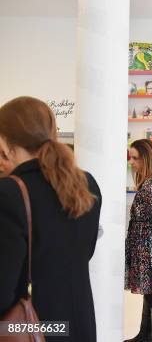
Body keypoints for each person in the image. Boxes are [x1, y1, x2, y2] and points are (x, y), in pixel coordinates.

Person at [0, 96, 102, 342]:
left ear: (6, 143)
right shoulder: (86, 183)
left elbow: (3, 291)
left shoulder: (10, 192)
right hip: (80, 322)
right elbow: (83, 252)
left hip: (34, 328)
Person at [125, 139, 152, 342]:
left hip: (148, 246)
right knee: (149, 289)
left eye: (135, 157)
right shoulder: (150, 182)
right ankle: (145, 335)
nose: (131, 162)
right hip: (144, 244)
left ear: (146, 158)